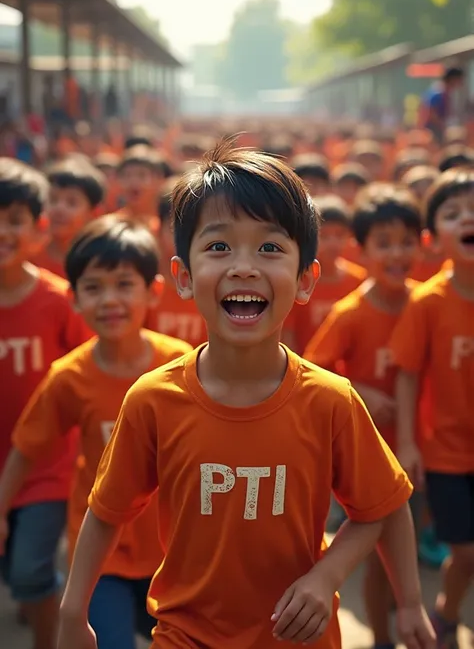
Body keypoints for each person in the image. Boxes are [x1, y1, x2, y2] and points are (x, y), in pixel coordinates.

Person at [58, 139, 434, 649]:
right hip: (184, 634)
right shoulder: (153, 400)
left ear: (305, 281)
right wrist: (73, 611)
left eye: (270, 247)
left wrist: (344, 582)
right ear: (183, 277)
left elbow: (383, 507)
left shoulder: (330, 400)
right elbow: (106, 512)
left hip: (299, 640)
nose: (243, 266)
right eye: (218, 246)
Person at [0, 215, 191, 649]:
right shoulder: (69, 377)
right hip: (103, 558)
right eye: (93, 287)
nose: (109, 300)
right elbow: (26, 447)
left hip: (176, 554)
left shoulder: (182, 366)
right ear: (74, 298)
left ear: (154, 290)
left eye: (124, 284)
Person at [304, 183, 423, 649]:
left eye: (407, 242)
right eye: (384, 243)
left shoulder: (427, 302)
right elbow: (314, 366)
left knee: (411, 546)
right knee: (380, 555)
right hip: (372, 448)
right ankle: (380, 637)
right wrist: (364, 391)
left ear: (423, 243)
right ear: (364, 249)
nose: (397, 254)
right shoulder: (351, 312)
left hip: (422, 444)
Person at [0, 158, 91, 649]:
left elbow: (90, 371)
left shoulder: (59, 301)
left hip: (46, 468)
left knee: (32, 571)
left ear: (38, 227)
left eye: (13, 220)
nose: (1, 232)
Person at [390, 169, 474, 648]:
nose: (468, 219)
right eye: (453, 212)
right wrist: (406, 441)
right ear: (432, 236)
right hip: (444, 452)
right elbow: (406, 373)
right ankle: (447, 611)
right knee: (464, 552)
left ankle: (449, 611)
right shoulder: (427, 303)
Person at [284, 195, 366, 354]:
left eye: (339, 235)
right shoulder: (299, 282)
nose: (333, 243)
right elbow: (288, 335)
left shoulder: (359, 280)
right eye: (324, 236)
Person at [145, 178, 207, 347]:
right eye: (176, 228)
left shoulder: (214, 283)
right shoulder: (144, 285)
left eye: (196, 228)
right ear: (158, 229)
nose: (186, 238)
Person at [31, 156, 106, 278]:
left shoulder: (101, 261)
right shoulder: (27, 254)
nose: (59, 209)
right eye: (53, 199)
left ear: (94, 213)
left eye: (72, 202)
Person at [116, 145, 167, 234]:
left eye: (141, 175)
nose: (133, 181)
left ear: (159, 180)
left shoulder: (168, 226)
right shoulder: (113, 225)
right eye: (127, 175)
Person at [419, 67, 465, 144]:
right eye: (459, 79)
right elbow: (430, 114)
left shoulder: (446, 92)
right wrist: (444, 127)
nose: (461, 82)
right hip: (433, 132)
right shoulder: (438, 93)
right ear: (452, 79)